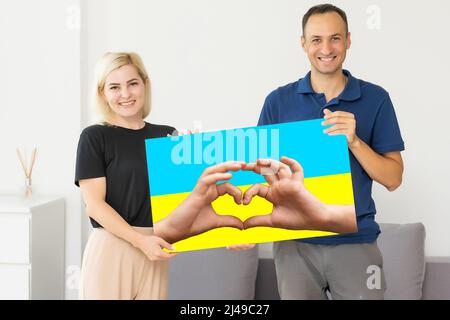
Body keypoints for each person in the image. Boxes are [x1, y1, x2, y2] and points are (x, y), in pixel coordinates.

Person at [257, 4, 404, 299]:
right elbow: (259, 174)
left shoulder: (376, 99)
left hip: (357, 242)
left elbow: (393, 178)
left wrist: (355, 142)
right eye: (316, 40)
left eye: (335, 38)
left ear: (348, 40)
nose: (326, 48)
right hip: (295, 244)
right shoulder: (278, 101)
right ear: (303, 44)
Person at [75, 52, 248, 300]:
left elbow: (193, 199)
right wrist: (139, 241)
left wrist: (232, 234)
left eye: (132, 83)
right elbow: (94, 205)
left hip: (156, 248)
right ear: (103, 93)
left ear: (145, 84)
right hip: (112, 248)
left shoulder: (168, 137)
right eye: (115, 87)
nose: (125, 94)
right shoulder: (94, 137)